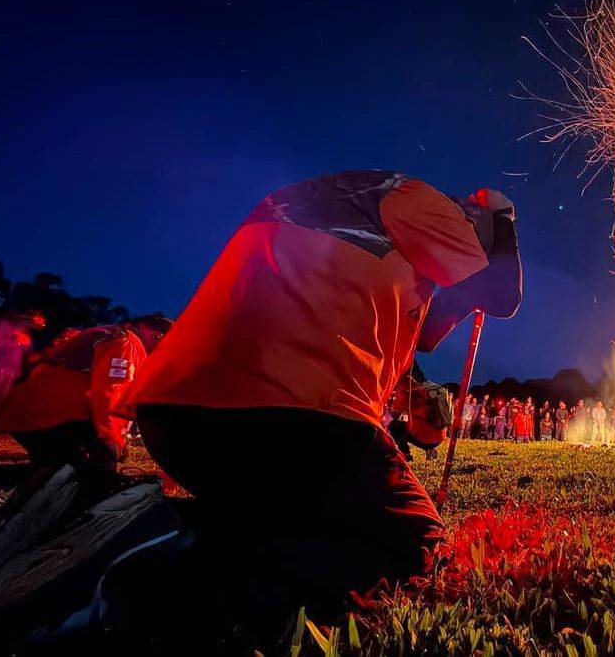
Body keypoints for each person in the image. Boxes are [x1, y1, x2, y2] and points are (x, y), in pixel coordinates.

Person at [117, 172, 522, 629]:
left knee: (283, 513)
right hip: (293, 416)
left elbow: (426, 336)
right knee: (412, 542)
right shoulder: (418, 198)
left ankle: (163, 530)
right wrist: (502, 217)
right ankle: (164, 570)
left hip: (175, 421)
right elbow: (502, 294)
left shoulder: (359, 216)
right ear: (462, 222)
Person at [0, 317, 172, 472]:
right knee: (87, 475)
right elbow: (110, 391)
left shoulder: (111, 333)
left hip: (33, 415)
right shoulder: (124, 342)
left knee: (62, 469)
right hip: (51, 418)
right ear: (158, 337)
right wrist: (111, 438)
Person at [0, 310, 45, 423]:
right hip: (0, 363)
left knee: (4, 393)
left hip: (13, 366)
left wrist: (26, 344)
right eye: (35, 320)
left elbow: (27, 349)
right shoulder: (4, 323)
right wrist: (15, 340)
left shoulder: (24, 330)